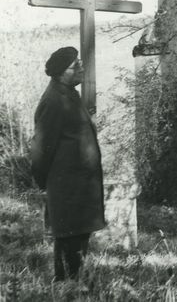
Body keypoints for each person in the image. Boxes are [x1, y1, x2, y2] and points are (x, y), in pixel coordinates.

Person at [30, 46, 106, 281]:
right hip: (67, 188)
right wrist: (47, 184)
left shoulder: (69, 93)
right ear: (62, 72)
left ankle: (75, 286)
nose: (82, 68)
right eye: (76, 66)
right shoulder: (54, 101)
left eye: (81, 63)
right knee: (69, 241)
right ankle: (67, 289)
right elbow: (42, 149)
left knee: (79, 238)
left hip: (80, 187)